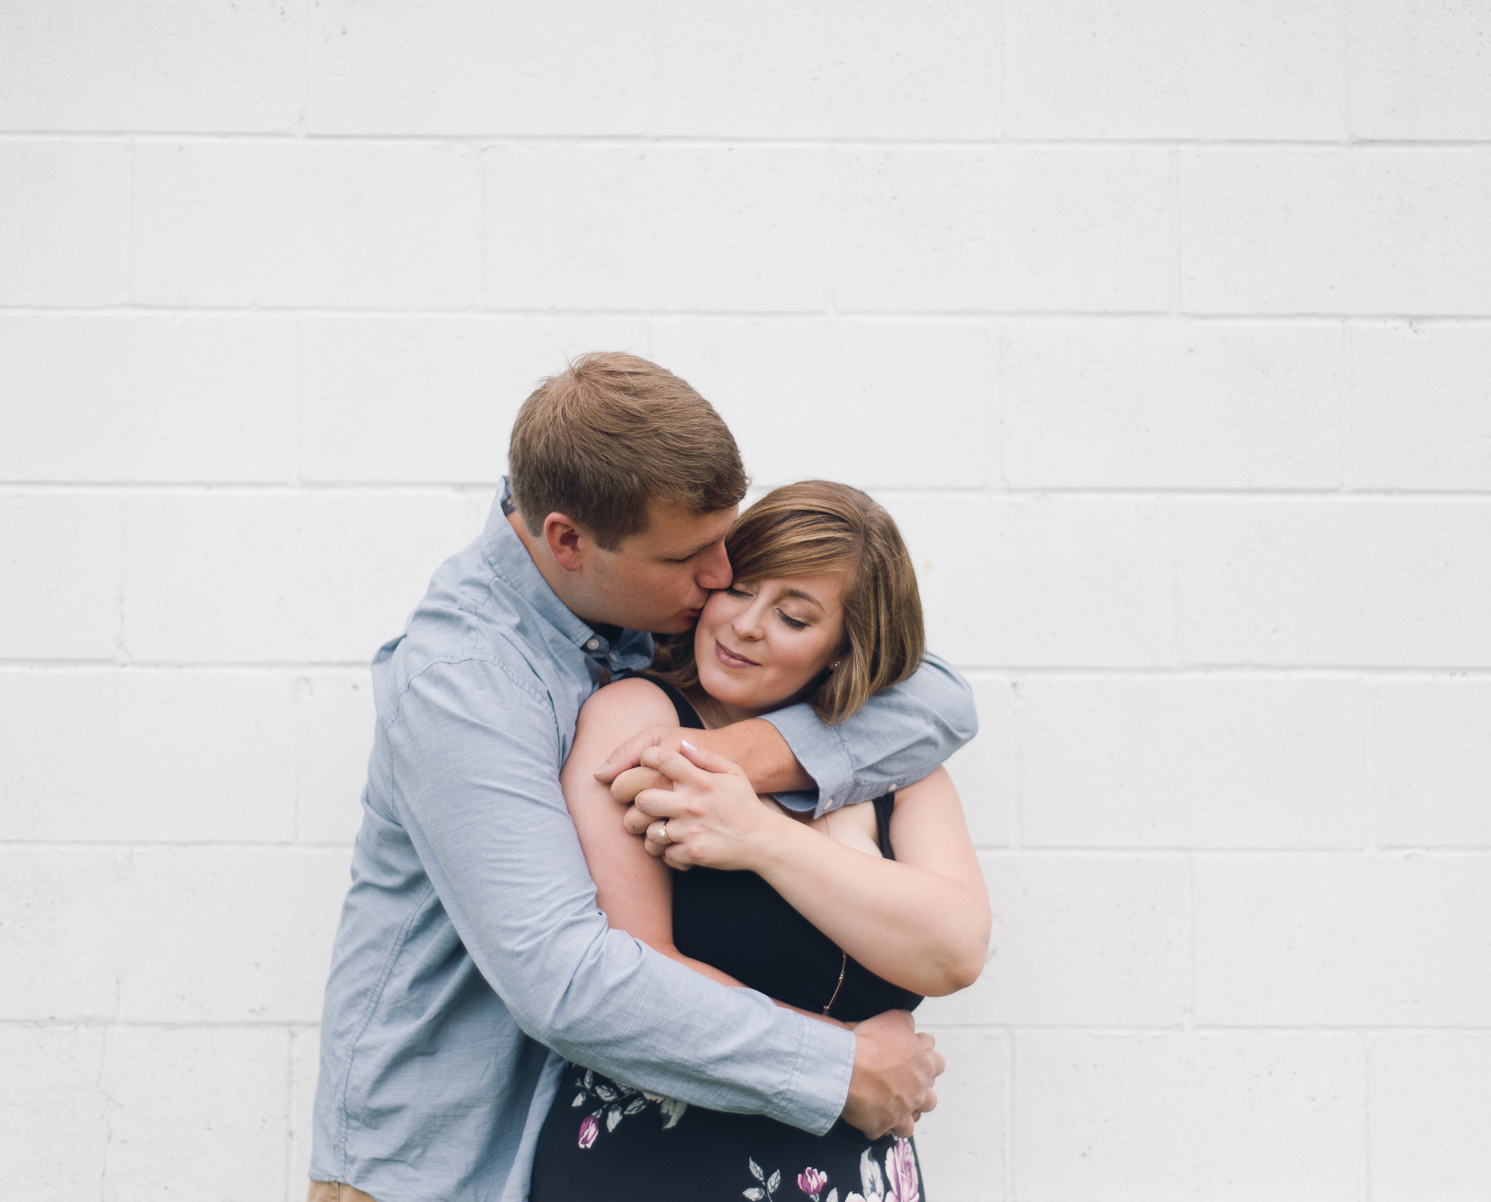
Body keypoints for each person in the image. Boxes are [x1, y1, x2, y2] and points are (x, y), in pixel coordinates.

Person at [308, 354, 978, 1202]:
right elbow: (568, 980)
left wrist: (749, 759)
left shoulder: (638, 613)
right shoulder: (466, 681)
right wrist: (845, 1066)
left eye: (724, 546)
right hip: (438, 1165)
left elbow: (939, 697)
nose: (719, 581)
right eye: (690, 559)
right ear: (567, 541)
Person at [531, 481, 990, 1202]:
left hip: (853, 1176)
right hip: (663, 1166)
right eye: (737, 589)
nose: (745, 625)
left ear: (844, 649)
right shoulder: (641, 720)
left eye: (794, 616)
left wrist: (759, 837)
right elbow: (632, 969)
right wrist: (851, 1062)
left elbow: (954, 951)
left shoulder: (901, 768)